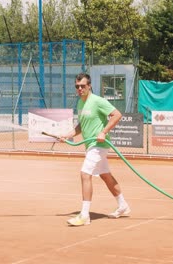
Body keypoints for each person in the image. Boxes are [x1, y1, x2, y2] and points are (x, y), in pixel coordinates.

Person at [59, 73, 130, 226]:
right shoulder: (80, 103)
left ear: (89, 86)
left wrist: (103, 132)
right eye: (77, 86)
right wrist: (68, 135)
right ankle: (123, 205)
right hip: (91, 146)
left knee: (85, 174)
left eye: (83, 86)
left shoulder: (97, 101)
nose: (79, 89)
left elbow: (117, 115)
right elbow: (81, 125)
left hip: (99, 146)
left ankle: (84, 215)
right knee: (106, 176)